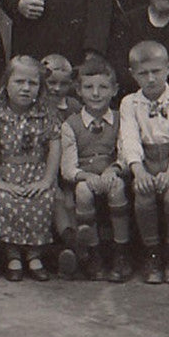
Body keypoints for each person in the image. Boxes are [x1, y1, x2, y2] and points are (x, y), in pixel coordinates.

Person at [119, 41, 169, 285]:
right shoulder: (129, 103)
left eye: (156, 71)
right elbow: (130, 138)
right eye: (143, 73)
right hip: (147, 161)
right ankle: (152, 254)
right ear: (133, 74)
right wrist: (138, 170)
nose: (151, 79)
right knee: (143, 193)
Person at [0, 55, 60, 282]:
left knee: (43, 198)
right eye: (19, 82)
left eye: (32, 84)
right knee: (3, 199)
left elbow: (54, 145)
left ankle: (34, 256)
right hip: (7, 173)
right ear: (6, 84)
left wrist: (46, 180)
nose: (26, 88)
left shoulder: (45, 114)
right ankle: (13, 256)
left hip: (37, 173)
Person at [58, 58, 133, 283]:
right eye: (89, 87)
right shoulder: (71, 124)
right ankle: (93, 253)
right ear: (79, 91)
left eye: (103, 87)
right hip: (85, 177)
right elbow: (68, 166)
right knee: (82, 191)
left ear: (114, 90)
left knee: (117, 187)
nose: (96, 93)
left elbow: (126, 150)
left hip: (113, 174)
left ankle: (121, 252)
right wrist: (85, 176)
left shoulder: (121, 119)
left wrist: (116, 168)